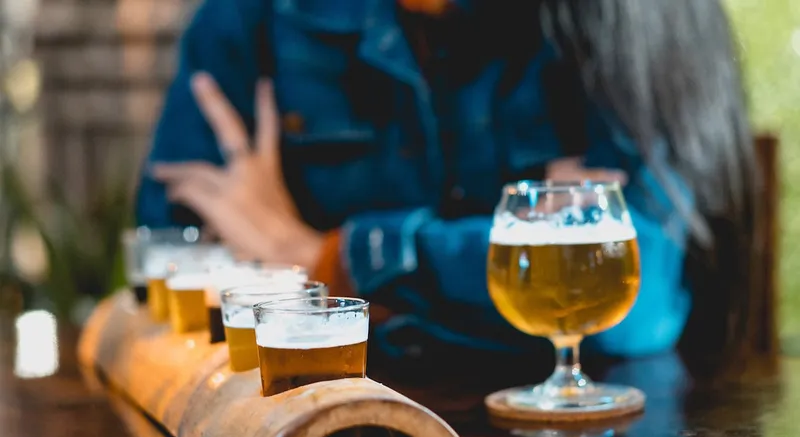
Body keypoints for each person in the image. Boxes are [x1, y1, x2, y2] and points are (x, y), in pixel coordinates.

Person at [136, 0, 760, 361]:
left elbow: (631, 306)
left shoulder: (630, 20)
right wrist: (477, 285)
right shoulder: (252, 17)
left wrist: (330, 259)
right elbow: (175, 260)